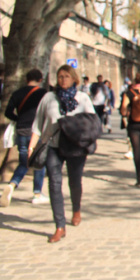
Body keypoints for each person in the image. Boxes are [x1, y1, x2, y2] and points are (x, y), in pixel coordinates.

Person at [30, 64, 97, 243]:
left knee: (75, 182)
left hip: (75, 147)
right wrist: (32, 146)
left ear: (74, 78)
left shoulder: (82, 98)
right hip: (54, 145)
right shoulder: (49, 98)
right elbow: (38, 123)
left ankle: (76, 209)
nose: (63, 79)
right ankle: (59, 225)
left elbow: (92, 122)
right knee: (54, 183)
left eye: (67, 76)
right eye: (60, 76)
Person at [1, 69, 48, 206]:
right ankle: (37, 193)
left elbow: (8, 112)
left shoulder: (17, 93)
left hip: (21, 130)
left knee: (24, 163)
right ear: (40, 79)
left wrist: (19, 118)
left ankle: (11, 185)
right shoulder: (43, 94)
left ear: (26, 79)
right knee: (39, 163)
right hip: (36, 131)